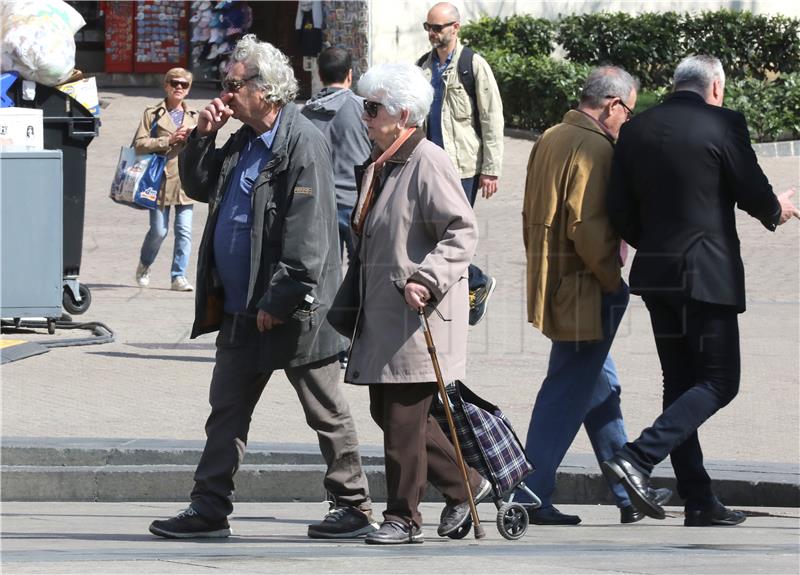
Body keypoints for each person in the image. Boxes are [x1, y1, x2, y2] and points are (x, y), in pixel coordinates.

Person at [148, 36, 376, 540]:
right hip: (240, 307)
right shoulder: (245, 139)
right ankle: (209, 507)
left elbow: (309, 236)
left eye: (233, 85)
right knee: (226, 410)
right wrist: (203, 137)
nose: (224, 94)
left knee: (325, 410)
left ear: (266, 89)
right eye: (224, 84)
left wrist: (280, 298)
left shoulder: (303, 143)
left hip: (291, 309)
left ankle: (354, 504)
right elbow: (202, 187)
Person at [603, 55, 800, 527]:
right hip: (707, 277)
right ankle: (638, 456)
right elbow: (751, 188)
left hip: (658, 275)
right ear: (715, 88)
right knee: (718, 381)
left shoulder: (637, 128)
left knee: (680, 383)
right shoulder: (724, 123)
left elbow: (618, 208)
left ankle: (698, 498)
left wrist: (652, 244)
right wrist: (778, 209)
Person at [518, 66, 671, 526]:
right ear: (613, 105)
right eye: (630, 110)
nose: (630, 120)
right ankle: (528, 490)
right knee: (566, 391)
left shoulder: (552, 136)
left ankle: (628, 490)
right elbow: (586, 227)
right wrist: (611, 280)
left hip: (560, 283)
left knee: (599, 389)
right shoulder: (595, 147)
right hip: (587, 288)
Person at [346, 62, 490, 545]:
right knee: (389, 415)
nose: (364, 116)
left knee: (404, 423)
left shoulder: (428, 160)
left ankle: (403, 518)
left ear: (402, 114)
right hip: (382, 317)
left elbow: (462, 229)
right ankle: (466, 483)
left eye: (372, 108)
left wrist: (427, 279)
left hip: (415, 317)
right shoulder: (382, 160)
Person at [417, 2, 504, 326]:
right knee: (435, 232)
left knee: (453, 232)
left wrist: (491, 169)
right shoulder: (423, 68)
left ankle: (474, 284)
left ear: (456, 27)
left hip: (463, 167)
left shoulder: (473, 65)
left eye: (438, 28)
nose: (432, 33)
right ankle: (470, 282)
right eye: (428, 27)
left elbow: (492, 117)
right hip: (430, 166)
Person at [301, 46, 371, 266]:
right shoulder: (366, 111)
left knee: (326, 271)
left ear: (320, 76)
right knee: (359, 269)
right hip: (356, 203)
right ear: (350, 75)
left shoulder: (305, 113)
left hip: (318, 203)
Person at [133, 68, 198, 292]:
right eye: (174, 83)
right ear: (166, 85)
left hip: (185, 181)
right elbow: (139, 144)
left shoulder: (194, 117)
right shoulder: (152, 113)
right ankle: (145, 264)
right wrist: (167, 140)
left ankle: (178, 276)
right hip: (158, 181)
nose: (179, 87)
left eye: (184, 84)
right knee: (159, 231)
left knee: (184, 231)